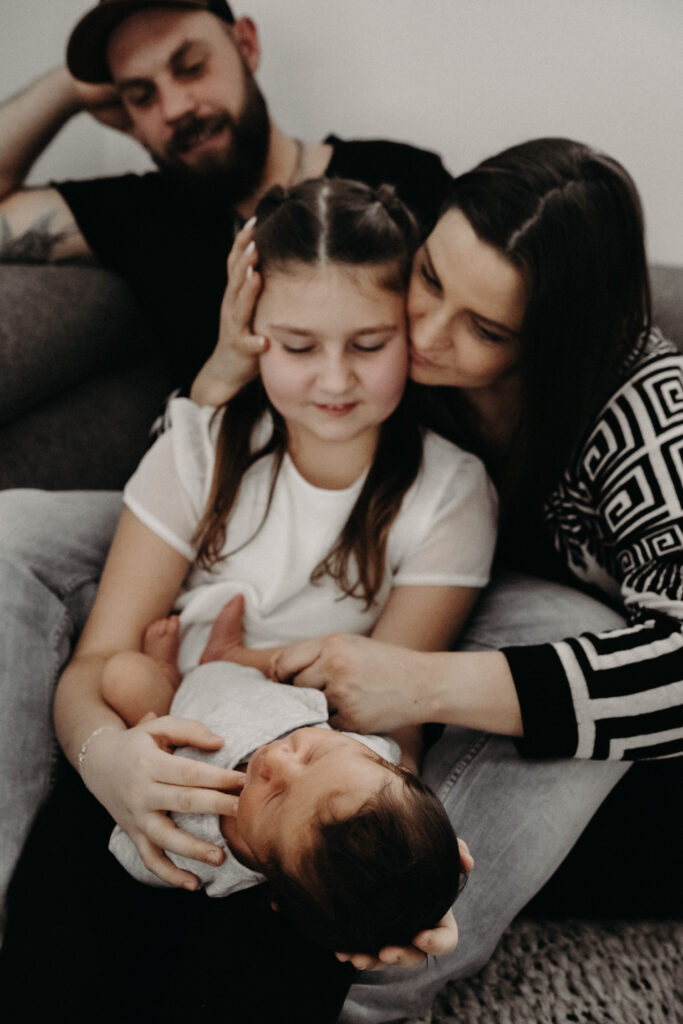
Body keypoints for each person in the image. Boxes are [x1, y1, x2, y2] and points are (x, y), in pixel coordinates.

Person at [195, 137, 681, 1022]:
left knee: (573, 627)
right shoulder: (399, 353)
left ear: (564, 336)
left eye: (485, 328)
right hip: (432, 663)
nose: (424, 332)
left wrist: (414, 683)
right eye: (427, 278)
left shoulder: (652, 426)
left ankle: (378, 994)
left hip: (636, 780)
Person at [0, 0, 454, 942]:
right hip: (205, 488)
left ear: (246, 45)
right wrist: (72, 87)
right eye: (141, 94)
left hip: (387, 517)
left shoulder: (399, 179)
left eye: (189, 65)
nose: (176, 105)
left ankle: (391, 924)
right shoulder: (146, 207)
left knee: (553, 667)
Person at [105, 620, 466, 955]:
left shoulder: (197, 851)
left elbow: (131, 835)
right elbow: (393, 762)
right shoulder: (371, 761)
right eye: (315, 755)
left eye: (275, 800)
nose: (276, 759)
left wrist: (144, 739)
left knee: (122, 676)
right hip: (257, 683)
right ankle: (229, 654)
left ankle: (167, 672)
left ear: (276, 884)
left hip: (178, 707)